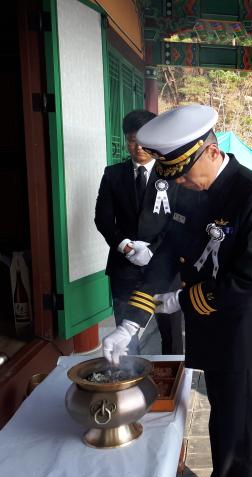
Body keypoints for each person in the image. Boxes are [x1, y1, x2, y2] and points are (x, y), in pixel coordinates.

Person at [102, 105, 252, 477]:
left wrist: (181, 301)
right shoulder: (187, 190)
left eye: (183, 173)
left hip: (240, 333)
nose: (179, 182)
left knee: (237, 437)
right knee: (222, 421)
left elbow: (249, 278)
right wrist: (132, 322)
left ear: (212, 153)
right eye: (174, 177)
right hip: (210, 329)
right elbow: (166, 255)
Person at [94, 109, 183, 355]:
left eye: (144, 142)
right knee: (124, 334)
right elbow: (102, 219)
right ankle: (128, 380)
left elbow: (178, 220)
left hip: (164, 266)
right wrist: (125, 245)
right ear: (126, 140)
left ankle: (174, 385)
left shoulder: (173, 174)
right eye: (132, 141)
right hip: (124, 268)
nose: (138, 148)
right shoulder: (113, 174)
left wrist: (152, 251)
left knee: (172, 334)